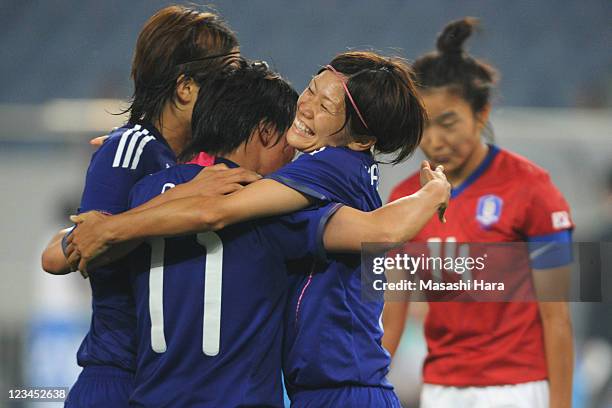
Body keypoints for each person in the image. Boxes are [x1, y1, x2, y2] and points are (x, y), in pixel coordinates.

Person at [68, 51, 450, 407]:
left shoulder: (327, 167)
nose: (306, 108)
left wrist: (114, 225)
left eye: (326, 106)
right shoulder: (331, 175)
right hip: (331, 388)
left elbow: (216, 209)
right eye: (312, 90)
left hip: (341, 393)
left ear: (362, 139)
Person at [39, 6, 256, 407]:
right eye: (226, 79)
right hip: (119, 378)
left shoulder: (197, 161)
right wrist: (175, 204)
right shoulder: (129, 150)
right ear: (185, 86)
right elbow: (79, 250)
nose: (234, 93)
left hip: (170, 380)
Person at [382, 18, 574, 408]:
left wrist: (561, 403)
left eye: (448, 123)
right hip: (439, 389)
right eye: (423, 126)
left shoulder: (532, 188)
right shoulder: (404, 200)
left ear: (482, 113)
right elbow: (390, 315)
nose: (435, 141)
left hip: (519, 389)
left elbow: (557, 319)